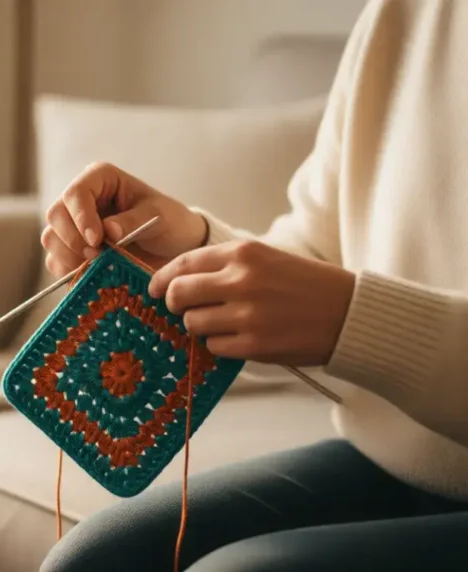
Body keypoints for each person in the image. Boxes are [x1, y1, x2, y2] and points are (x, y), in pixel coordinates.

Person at [38, 0, 468, 570]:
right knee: (90, 561)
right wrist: (192, 247)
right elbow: (318, 253)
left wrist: (350, 322)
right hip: (388, 459)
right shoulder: (404, 15)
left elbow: (336, 308)